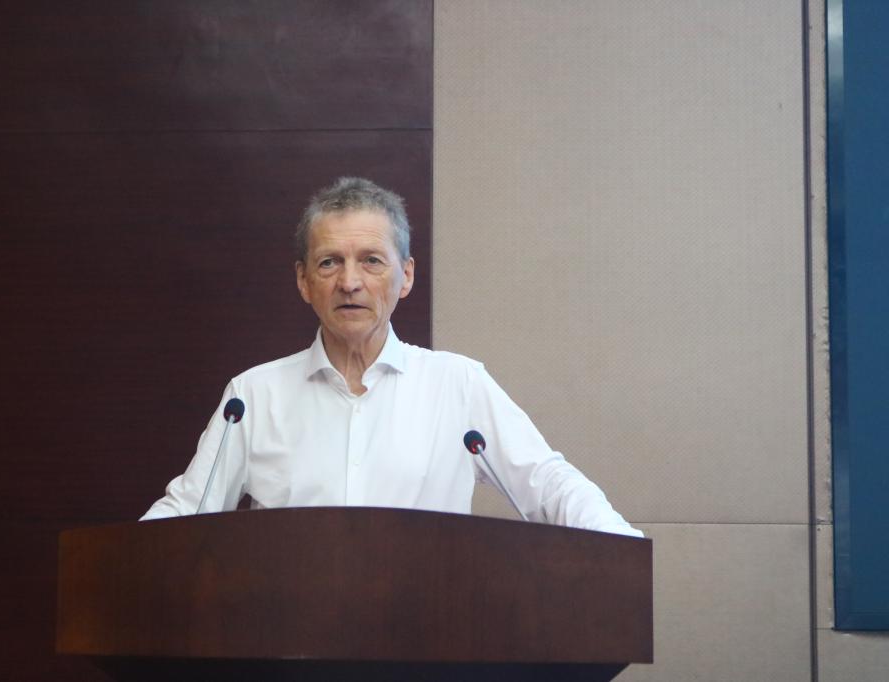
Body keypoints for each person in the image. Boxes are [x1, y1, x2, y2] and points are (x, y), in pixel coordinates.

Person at [141, 177, 642, 537]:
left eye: (371, 261)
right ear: (303, 281)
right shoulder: (252, 396)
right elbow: (187, 509)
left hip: (430, 635)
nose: (350, 282)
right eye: (329, 262)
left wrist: (621, 548)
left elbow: (548, 484)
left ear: (406, 277)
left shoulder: (458, 385)